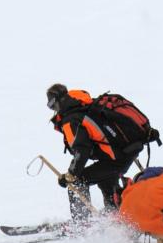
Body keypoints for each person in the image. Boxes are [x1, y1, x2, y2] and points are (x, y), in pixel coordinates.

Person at [46, 83, 143, 222]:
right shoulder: (86, 107)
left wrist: (71, 175)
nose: (53, 110)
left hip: (116, 159)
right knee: (105, 176)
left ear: (59, 101)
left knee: (78, 182)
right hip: (125, 153)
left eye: (52, 105)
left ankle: (82, 225)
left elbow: (82, 150)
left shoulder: (71, 119)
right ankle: (115, 213)